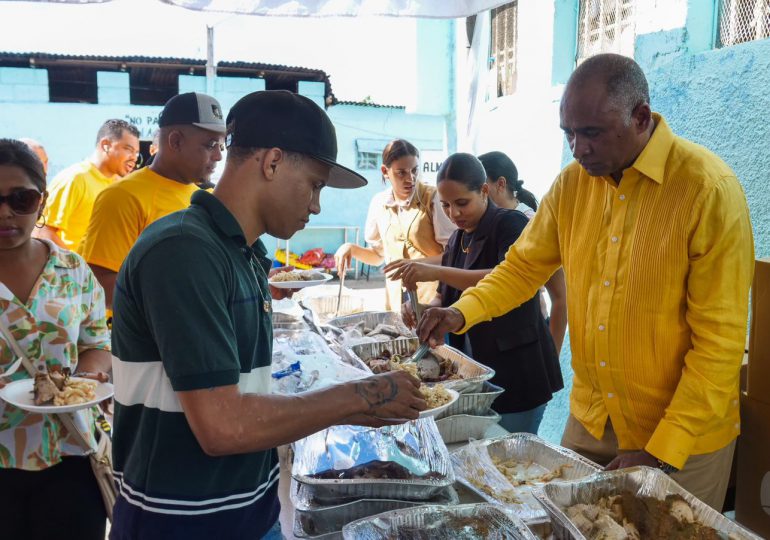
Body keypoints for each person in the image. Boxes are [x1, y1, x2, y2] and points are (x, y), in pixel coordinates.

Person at [416, 53, 753, 511]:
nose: (578, 148)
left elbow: (720, 344)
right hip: (592, 420)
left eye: (591, 132)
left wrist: (661, 449)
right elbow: (520, 270)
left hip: (681, 436)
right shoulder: (572, 186)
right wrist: (460, 312)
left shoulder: (707, 190)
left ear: (640, 117)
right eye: (568, 133)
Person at [109, 90, 427, 540]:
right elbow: (223, 426)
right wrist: (359, 397)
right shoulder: (183, 250)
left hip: (248, 513)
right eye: (315, 185)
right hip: (180, 523)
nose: (316, 205)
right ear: (273, 162)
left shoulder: (241, 253)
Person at [394, 153, 563, 434]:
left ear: (484, 191)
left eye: (462, 203)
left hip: (519, 370)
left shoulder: (511, 225)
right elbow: (445, 298)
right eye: (446, 206)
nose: (454, 214)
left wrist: (436, 271)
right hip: (477, 368)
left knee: (513, 458)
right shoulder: (458, 239)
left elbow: (505, 279)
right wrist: (423, 309)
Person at [0, 139, 112, 539]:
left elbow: (97, 344)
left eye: (21, 198)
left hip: (71, 451)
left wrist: (82, 384)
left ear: (42, 199)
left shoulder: (72, 269)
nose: (5, 212)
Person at [79, 92, 226, 311]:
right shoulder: (123, 197)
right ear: (175, 141)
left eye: (221, 146)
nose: (218, 156)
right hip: (144, 341)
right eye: (210, 144)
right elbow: (100, 288)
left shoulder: (205, 198)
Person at [334, 139, 455, 311]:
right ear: (385, 171)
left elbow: (453, 255)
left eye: (414, 171)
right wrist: (351, 248)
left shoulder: (433, 198)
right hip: (396, 301)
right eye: (401, 173)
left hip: (432, 298)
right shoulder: (379, 203)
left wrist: (416, 265)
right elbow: (377, 256)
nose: (410, 179)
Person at [478, 151, 568, 354]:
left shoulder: (528, 222)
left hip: (529, 339)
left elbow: (561, 297)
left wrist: (552, 354)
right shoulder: (487, 223)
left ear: (500, 184)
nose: (477, 194)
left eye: (482, 187)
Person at [35, 119, 140, 250]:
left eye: (136, 153)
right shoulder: (74, 179)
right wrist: (79, 266)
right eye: (128, 149)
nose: (134, 157)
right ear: (105, 145)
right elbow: (43, 231)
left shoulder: (120, 184)